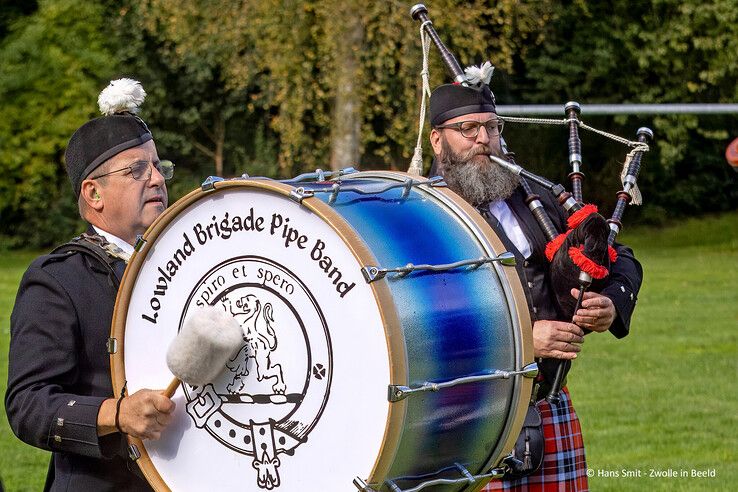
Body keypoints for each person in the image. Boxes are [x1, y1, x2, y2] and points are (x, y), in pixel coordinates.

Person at [428, 82, 643, 490]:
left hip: (546, 406)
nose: (483, 139)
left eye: (492, 127)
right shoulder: (423, 216)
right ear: (438, 140)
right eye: (468, 129)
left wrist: (611, 303)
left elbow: (618, 256)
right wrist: (523, 341)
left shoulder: (533, 196)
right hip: (461, 415)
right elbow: (424, 322)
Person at [5, 79, 175, 490]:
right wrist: (116, 414)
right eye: (137, 169)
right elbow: (28, 405)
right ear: (94, 193)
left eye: (157, 166)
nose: (155, 178)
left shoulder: (182, 264)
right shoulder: (58, 280)